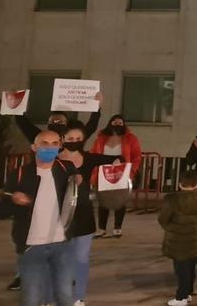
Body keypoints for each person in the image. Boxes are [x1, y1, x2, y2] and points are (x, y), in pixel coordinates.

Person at [0, 130, 79, 306]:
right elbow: (1, 211)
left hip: (62, 245)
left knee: (65, 296)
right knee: (31, 299)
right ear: (34, 147)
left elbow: (77, 197)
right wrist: (14, 200)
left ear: (60, 147)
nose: (50, 148)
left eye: (55, 143)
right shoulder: (19, 174)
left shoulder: (66, 171)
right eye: (44, 143)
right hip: (31, 246)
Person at [57, 121, 119, 306]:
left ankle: (78, 297)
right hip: (60, 217)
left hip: (84, 216)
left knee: (81, 259)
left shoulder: (89, 158)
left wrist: (117, 162)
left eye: (78, 138)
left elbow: (117, 158)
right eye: (70, 138)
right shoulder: (55, 159)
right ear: (63, 139)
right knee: (62, 259)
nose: (74, 141)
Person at [159, 170, 197, 306]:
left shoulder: (172, 200)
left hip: (176, 241)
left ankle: (181, 297)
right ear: (196, 185)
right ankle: (188, 292)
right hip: (194, 239)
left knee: (181, 270)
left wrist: (171, 229)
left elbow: (163, 219)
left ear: (180, 184)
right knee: (190, 266)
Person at [91, 114, 143, 238]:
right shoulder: (101, 138)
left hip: (122, 173)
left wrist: (132, 171)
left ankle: (117, 228)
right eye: (115, 122)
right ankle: (102, 228)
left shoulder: (131, 138)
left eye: (120, 123)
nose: (118, 125)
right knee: (103, 200)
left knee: (120, 201)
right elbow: (93, 153)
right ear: (110, 124)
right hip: (103, 173)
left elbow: (136, 156)